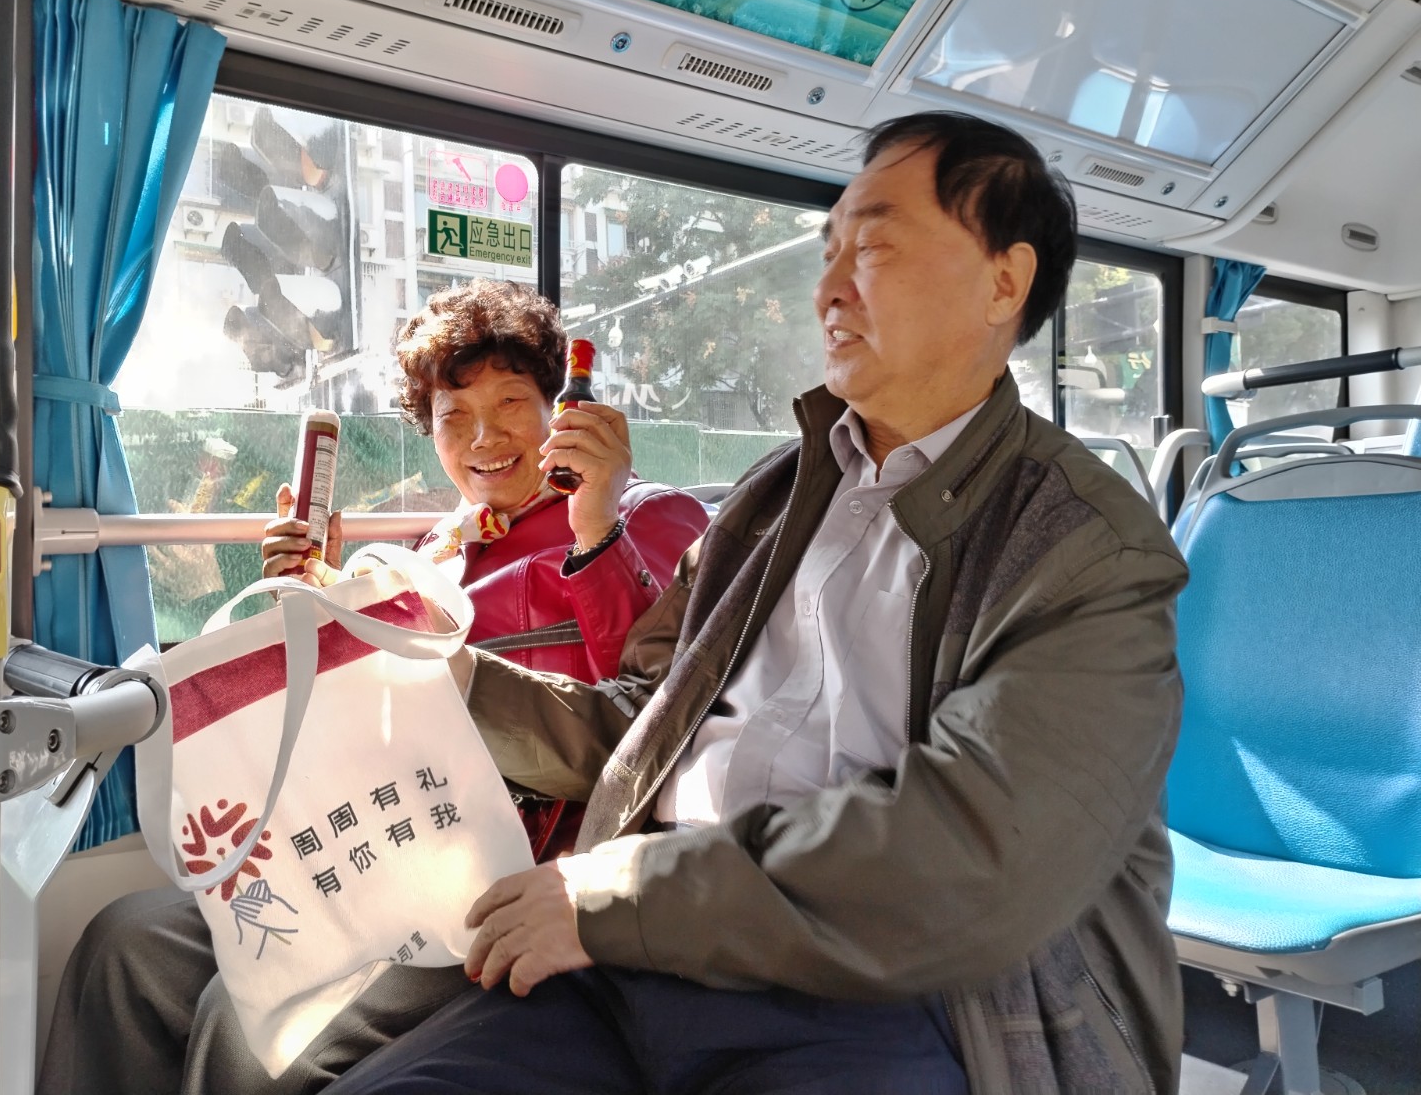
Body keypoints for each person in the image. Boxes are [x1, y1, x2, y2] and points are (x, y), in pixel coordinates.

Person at [323, 112, 1189, 1095]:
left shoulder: (1086, 549)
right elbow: (642, 723)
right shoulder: (772, 501)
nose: (828, 290)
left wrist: (619, 897)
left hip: (900, 1001)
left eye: (873, 249)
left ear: (1004, 281)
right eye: (828, 253)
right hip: (636, 949)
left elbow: (972, 857)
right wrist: (443, 680)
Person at [38, 280, 710, 1095]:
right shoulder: (436, 550)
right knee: (124, 947)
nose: (485, 437)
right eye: (453, 417)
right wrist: (312, 603)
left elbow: (655, 712)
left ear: (557, 408)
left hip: (507, 864)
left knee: (248, 1025)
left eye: (510, 404)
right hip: (385, 836)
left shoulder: (645, 515)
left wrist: (598, 532)